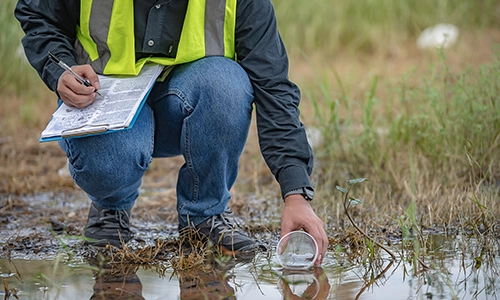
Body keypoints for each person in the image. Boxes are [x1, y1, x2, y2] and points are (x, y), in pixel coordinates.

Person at [15, 0, 328, 265]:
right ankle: (109, 208)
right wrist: (60, 67)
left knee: (225, 84)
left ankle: (204, 215)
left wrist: (295, 194)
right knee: (109, 161)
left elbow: (273, 85)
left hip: (184, 104)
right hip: (101, 103)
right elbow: (37, 12)